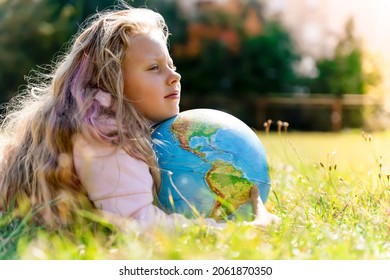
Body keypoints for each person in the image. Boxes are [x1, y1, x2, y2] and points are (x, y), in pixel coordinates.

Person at [0, 3, 279, 230]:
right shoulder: (106, 133)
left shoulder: (102, 120)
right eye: (154, 68)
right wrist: (233, 231)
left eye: (171, 65)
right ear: (111, 80)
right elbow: (137, 225)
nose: (175, 76)